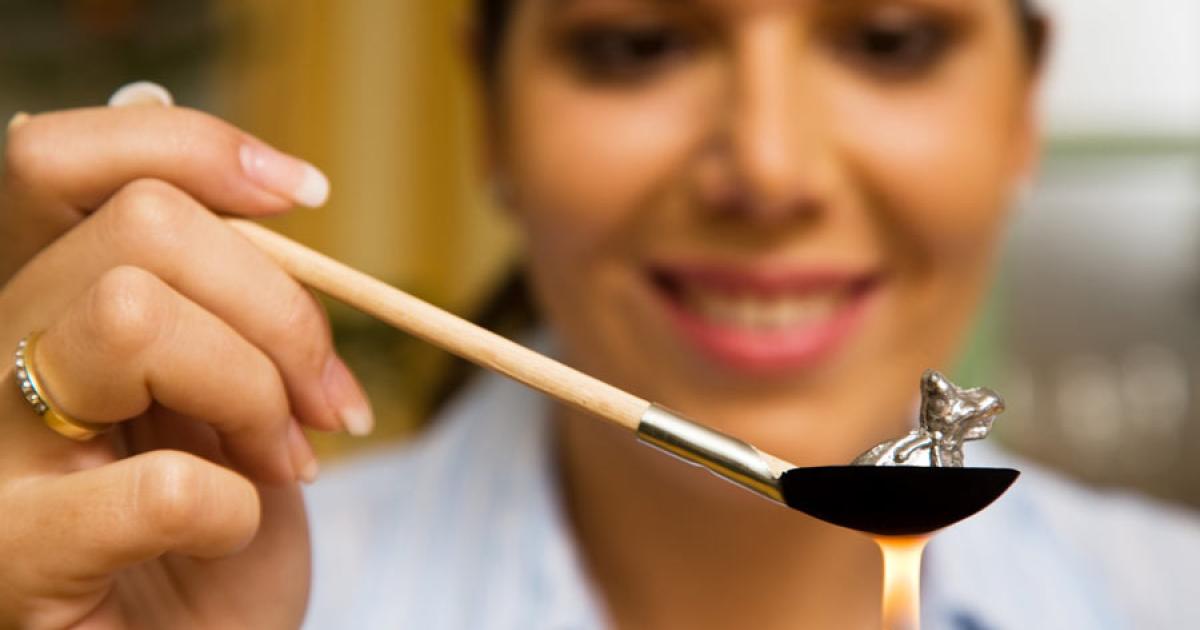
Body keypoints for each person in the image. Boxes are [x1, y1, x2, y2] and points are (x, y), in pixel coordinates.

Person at [1, 0, 1197, 628]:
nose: (771, 168)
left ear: (1023, 111)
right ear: (494, 116)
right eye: (637, 44)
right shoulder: (193, 605)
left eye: (889, 41)